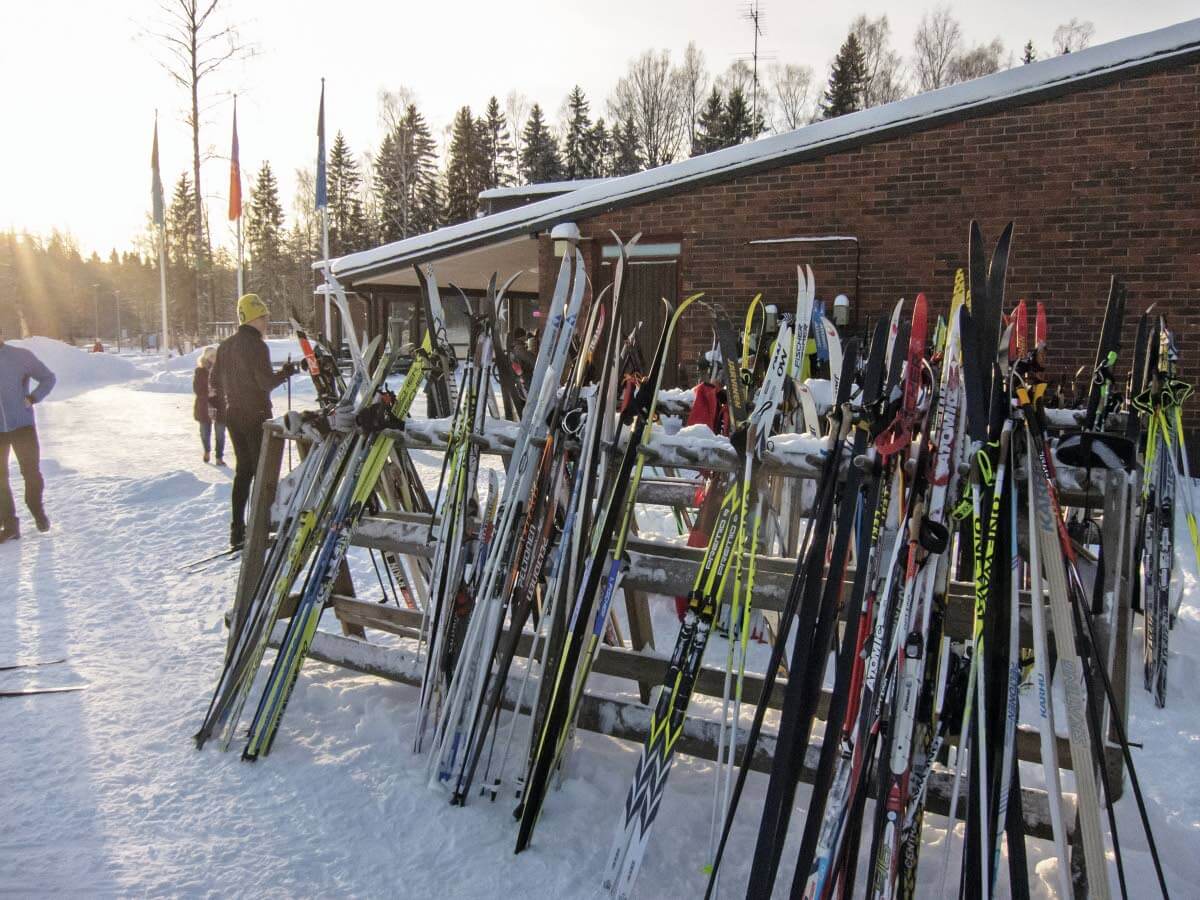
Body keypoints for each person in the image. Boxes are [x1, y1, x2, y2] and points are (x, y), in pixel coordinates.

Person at [212, 294, 296, 549]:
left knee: (244, 472)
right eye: (264, 317)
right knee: (264, 472)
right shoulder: (257, 345)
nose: (267, 322)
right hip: (255, 414)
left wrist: (226, 401)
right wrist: (285, 373)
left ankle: (237, 530)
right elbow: (264, 382)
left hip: (234, 414)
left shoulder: (225, 346)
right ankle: (262, 526)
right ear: (253, 317)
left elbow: (214, 381)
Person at [0, 331, 56, 543]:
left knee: (31, 473)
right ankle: (10, 524)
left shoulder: (20, 356)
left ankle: (36, 507)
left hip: (22, 426)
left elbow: (48, 378)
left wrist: (33, 398)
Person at [193, 346, 226, 465]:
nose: (214, 358)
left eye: (215, 355)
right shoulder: (200, 371)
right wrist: (208, 393)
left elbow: (226, 386)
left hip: (219, 405)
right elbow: (197, 389)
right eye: (211, 356)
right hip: (204, 406)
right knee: (204, 432)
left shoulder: (222, 370)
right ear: (206, 358)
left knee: (220, 433)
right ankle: (206, 451)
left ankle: (219, 457)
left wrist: (219, 392)